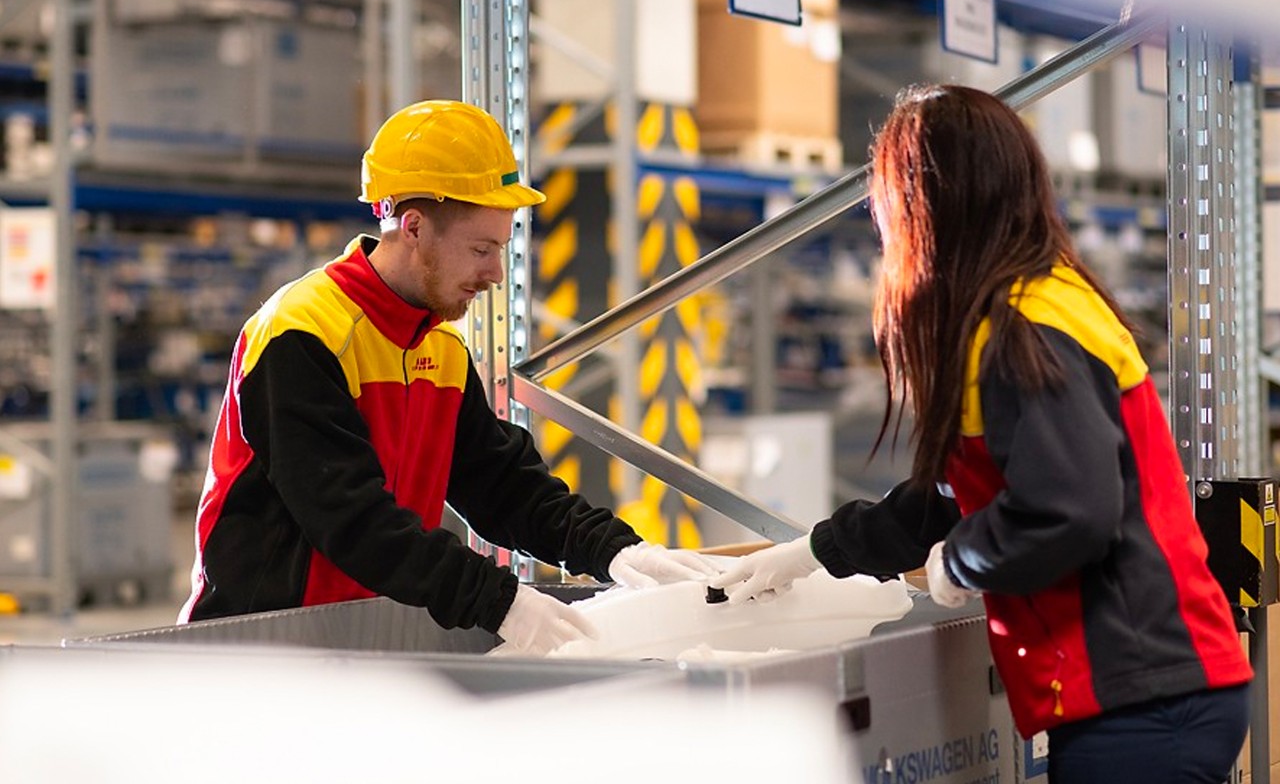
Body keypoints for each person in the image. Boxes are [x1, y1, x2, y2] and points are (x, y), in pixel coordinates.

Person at [711, 85, 1252, 783]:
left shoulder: (1026, 329)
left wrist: (962, 562)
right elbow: (952, 499)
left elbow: (1071, 509)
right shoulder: (1023, 309)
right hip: (1146, 691)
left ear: (928, 203)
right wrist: (815, 551)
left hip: (1142, 700)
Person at [180, 99, 716, 654]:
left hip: (360, 644)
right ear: (414, 227)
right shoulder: (302, 334)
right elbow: (349, 519)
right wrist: (498, 600)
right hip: (259, 651)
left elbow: (503, 488)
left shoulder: (439, 347)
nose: (494, 273)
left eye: (499, 250)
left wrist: (616, 551)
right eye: (481, 249)